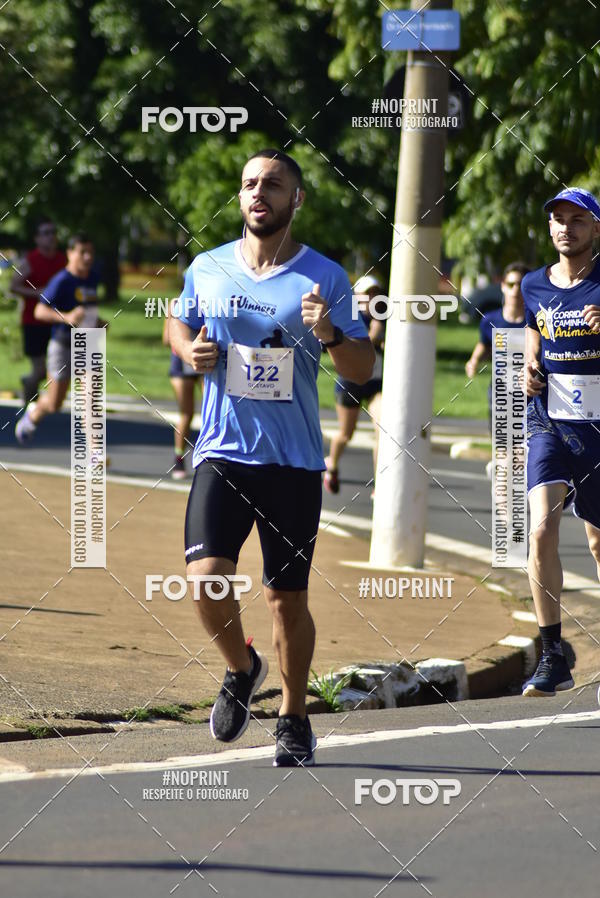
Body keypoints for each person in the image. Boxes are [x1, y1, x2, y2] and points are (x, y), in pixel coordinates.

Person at [169, 149, 374, 766]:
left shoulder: (326, 277)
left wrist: (331, 334)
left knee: (286, 598)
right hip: (223, 452)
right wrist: (190, 352)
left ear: (296, 199)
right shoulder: (207, 267)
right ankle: (242, 667)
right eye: (250, 183)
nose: (259, 193)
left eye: (273, 185)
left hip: (292, 463)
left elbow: (364, 368)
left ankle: (293, 715)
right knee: (205, 580)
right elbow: (178, 326)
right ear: (240, 197)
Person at [521, 187, 600, 696]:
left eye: (577, 220)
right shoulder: (534, 284)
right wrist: (530, 364)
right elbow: (534, 329)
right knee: (542, 528)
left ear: (596, 229)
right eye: (558, 219)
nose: (565, 228)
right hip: (548, 420)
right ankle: (553, 654)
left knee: (598, 542)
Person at [15, 234, 101, 444]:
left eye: (90, 252)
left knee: (89, 400)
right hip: (62, 345)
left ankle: (95, 455)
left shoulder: (92, 277)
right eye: (82, 252)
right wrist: (67, 317)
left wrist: (99, 323)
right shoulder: (62, 280)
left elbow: (87, 311)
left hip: (87, 345)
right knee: (54, 403)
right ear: (70, 254)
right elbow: (39, 311)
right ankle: (32, 415)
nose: (88, 257)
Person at [323, 273, 385, 497]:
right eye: (367, 294)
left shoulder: (385, 317)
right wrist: (374, 331)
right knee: (346, 434)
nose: (371, 298)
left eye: (375, 293)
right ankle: (332, 465)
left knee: (383, 431)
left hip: (375, 383)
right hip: (351, 382)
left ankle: (380, 484)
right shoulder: (349, 318)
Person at [465, 261, 530, 427]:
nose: (515, 289)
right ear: (503, 286)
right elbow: (484, 344)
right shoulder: (490, 320)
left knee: (525, 445)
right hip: (500, 389)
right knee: (502, 443)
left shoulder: (536, 321)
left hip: (529, 391)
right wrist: (474, 361)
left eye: (520, 284)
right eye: (511, 284)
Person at [10, 218, 67, 404]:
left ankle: (32, 397)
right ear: (37, 239)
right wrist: (37, 293)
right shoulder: (30, 261)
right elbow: (13, 286)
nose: (51, 237)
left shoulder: (62, 259)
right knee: (41, 369)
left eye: (53, 232)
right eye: (46, 233)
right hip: (33, 321)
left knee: (57, 366)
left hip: (56, 322)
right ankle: (28, 401)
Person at [163, 298, 202, 480]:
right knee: (190, 413)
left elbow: (166, 339)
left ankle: (184, 459)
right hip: (188, 363)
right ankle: (180, 458)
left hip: (199, 361)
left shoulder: (174, 304)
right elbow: (166, 338)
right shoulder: (176, 304)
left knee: (195, 413)